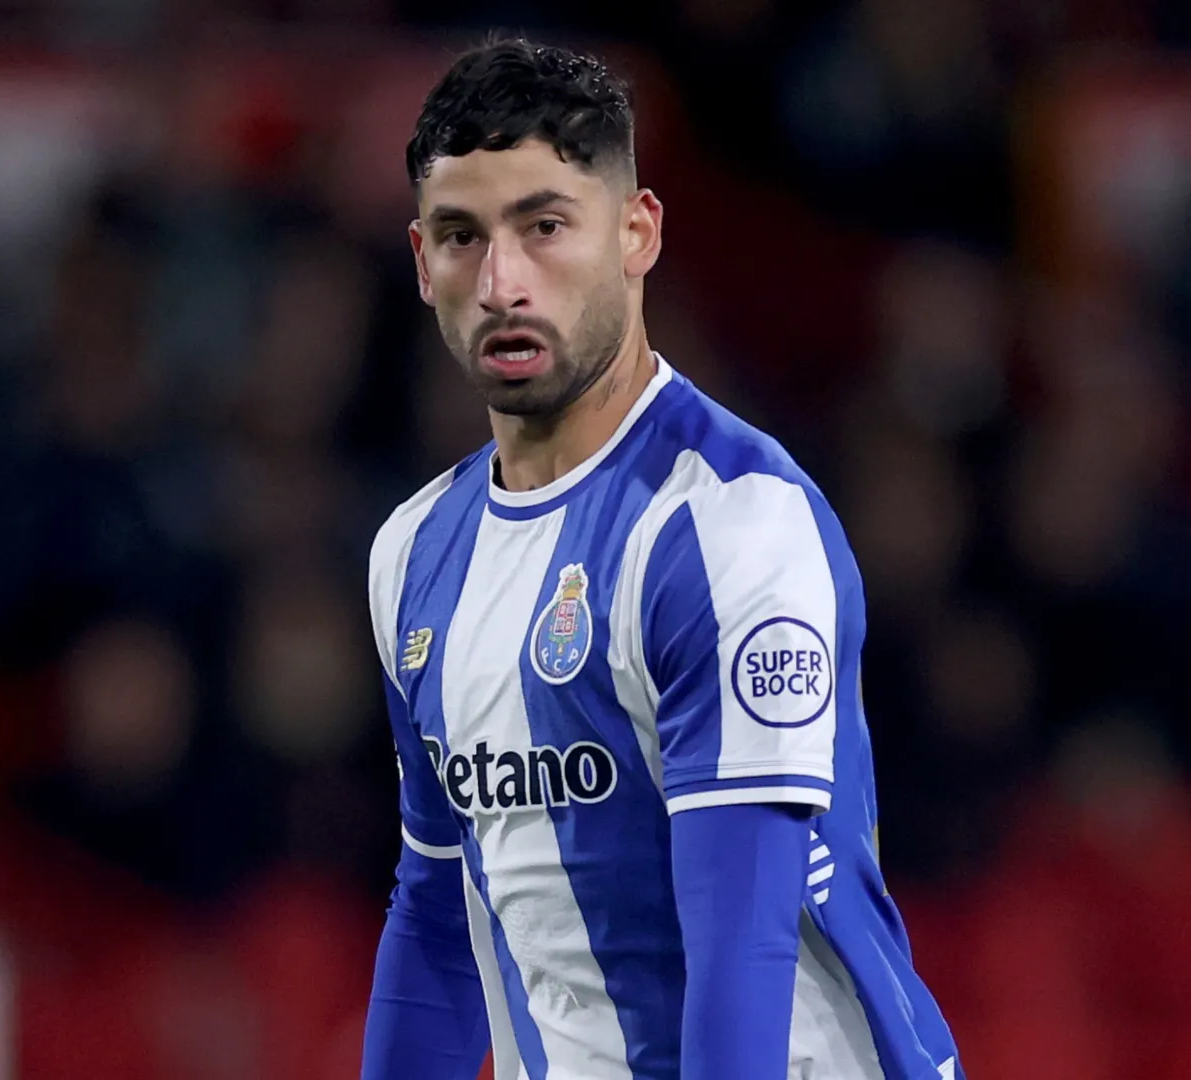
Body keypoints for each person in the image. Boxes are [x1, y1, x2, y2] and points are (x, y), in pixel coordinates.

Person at [360, 38, 962, 1080]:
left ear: (637, 234)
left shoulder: (729, 526)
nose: (502, 280)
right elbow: (436, 913)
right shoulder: (413, 553)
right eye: (462, 237)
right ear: (422, 264)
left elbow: (743, 942)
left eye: (544, 227)